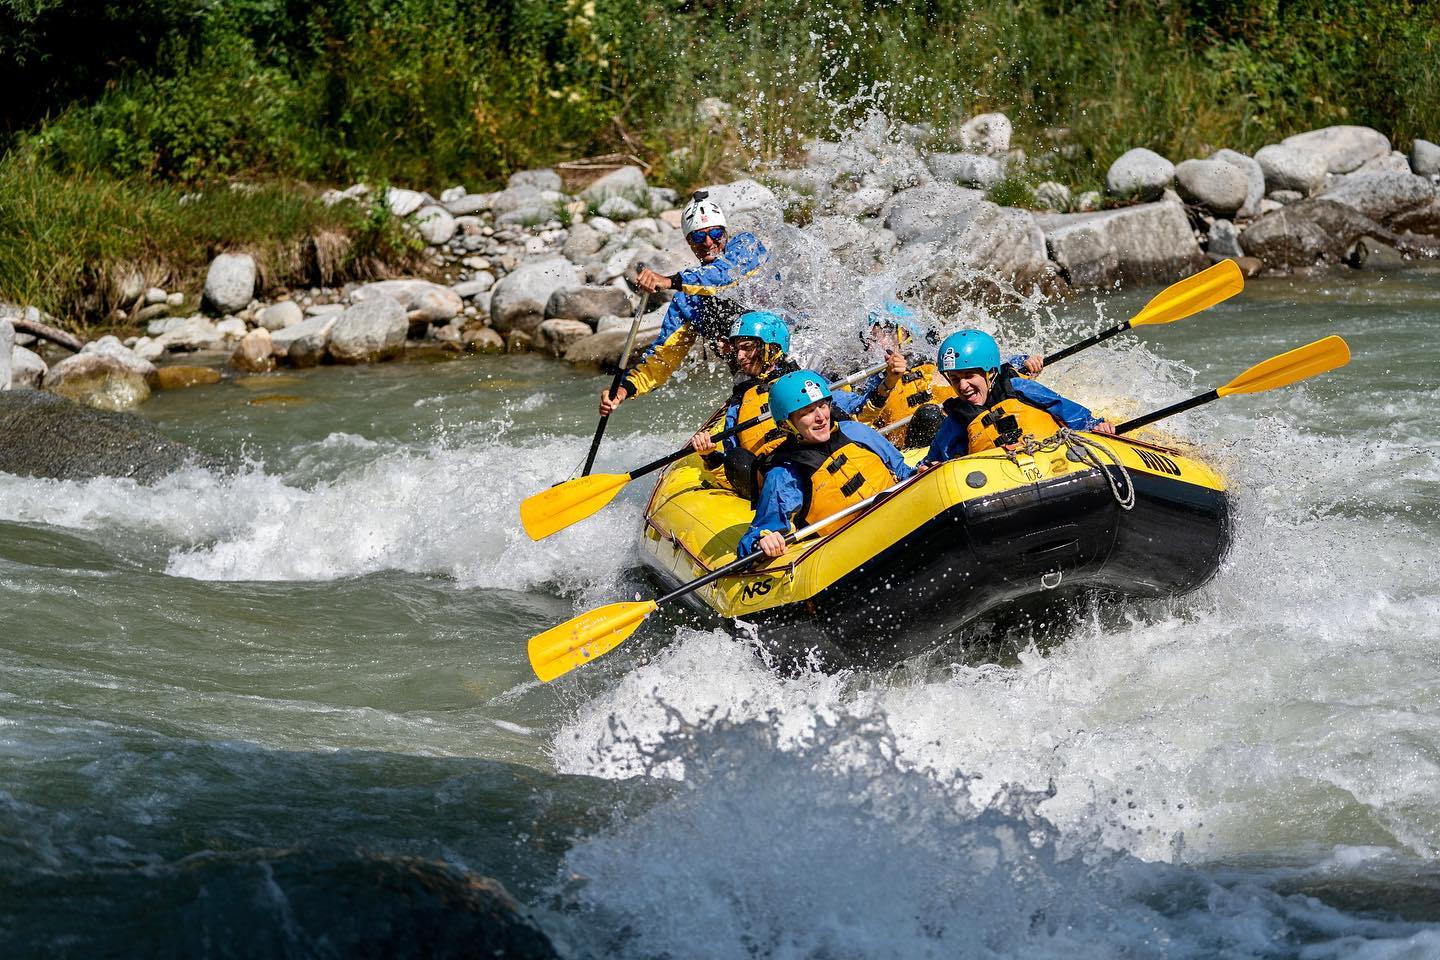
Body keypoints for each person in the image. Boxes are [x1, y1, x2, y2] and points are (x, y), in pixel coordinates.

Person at [598, 190, 771, 416]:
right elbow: (660, 360)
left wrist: (669, 281)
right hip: (750, 381)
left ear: (725, 233)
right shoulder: (688, 302)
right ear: (690, 243)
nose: (709, 242)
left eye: (715, 233)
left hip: (797, 356)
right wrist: (622, 391)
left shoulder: (746, 247)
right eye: (699, 237)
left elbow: (724, 277)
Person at [737, 370, 916, 559]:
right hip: (852, 553)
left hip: (900, 517)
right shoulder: (783, 475)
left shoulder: (855, 431)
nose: (821, 417)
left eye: (822, 405)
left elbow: (903, 471)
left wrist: (921, 472)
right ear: (786, 425)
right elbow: (754, 537)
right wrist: (763, 540)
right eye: (807, 412)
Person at [690, 311, 866, 499]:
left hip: (816, 457)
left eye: (746, 347)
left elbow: (855, 411)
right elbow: (732, 464)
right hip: (775, 473)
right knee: (736, 458)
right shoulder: (739, 402)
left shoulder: (805, 380)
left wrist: (886, 385)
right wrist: (709, 455)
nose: (740, 356)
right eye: (737, 349)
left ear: (771, 346)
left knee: (840, 418)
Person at [850, 301, 1044, 449]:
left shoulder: (936, 363)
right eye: (870, 337)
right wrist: (890, 380)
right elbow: (860, 423)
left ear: (904, 333)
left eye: (880, 334)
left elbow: (991, 369)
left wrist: (1024, 364)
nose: (874, 343)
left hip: (962, 433)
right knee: (929, 415)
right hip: (914, 450)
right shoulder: (874, 383)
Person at [922, 330, 1114, 466]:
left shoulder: (1019, 388)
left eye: (969, 376)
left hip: (1057, 462)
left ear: (990, 373)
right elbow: (933, 461)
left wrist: (1095, 426)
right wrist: (927, 468)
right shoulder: (956, 420)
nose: (962, 386)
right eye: (955, 379)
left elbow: (1067, 411)